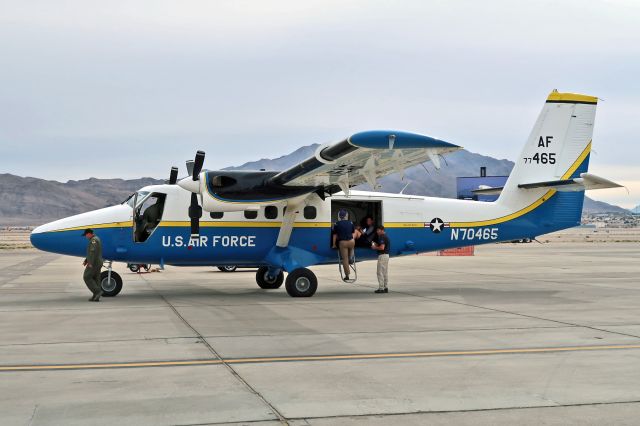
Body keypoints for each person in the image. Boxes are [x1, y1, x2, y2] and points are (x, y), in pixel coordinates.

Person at [332, 209, 356, 282]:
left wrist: (334, 245)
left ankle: (347, 275)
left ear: (339, 216)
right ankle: (351, 257)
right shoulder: (351, 223)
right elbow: (353, 232)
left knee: (345, 259)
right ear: (346, 216)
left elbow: (335, 235)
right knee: (351, 248)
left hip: (343, 243)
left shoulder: (336, 224)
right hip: (351, 241)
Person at [82, 229, 104, 301]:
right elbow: (92, 252)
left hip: (94, 263)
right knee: (96, 278)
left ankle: (97, 291)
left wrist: (90, 263)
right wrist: (86, 260)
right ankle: (96, 296)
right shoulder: (97, 239)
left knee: (87, 277)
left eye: (86, 235)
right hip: (98, 262)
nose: (86, 237)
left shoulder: (93, 241)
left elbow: (92, 252)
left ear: (89, 234)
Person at [371, 225, 390, 293]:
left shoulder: (382, 237)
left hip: (382, 256)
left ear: (382, 230)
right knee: (385, 272)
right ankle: (386, 287)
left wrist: (374, 247)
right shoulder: (385, 236)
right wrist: (376, 244)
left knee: (380, 272)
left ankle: (381, 288)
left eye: (378, 230)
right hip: (386, 255)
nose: (377, 232)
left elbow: (382, 248)